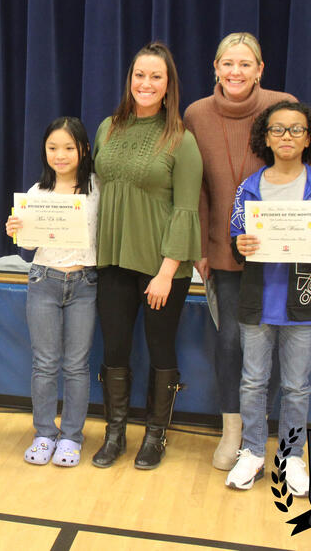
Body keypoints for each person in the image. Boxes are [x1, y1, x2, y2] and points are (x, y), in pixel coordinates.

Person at [183, 32, 311, 470]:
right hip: (225, 248)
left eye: (245, 64)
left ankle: (275, 444)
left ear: (259, 70)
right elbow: (194, 184)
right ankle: (234, 432)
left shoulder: (281, 104)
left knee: (278, 355)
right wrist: (200, 245)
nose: (235, 72)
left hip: (282, 253)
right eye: (227, 63)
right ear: (215, 68)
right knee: (230, 342)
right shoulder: (195, 113)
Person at [91, 42, 203, 470]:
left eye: (156, 76)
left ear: (168, 84)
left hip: (161, 268)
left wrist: (166, 272)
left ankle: (156, 436)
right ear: (130, 79)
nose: (146, 83)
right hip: (113, 261)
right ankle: (115, 433)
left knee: (160, 349)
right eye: (140, 75)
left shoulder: (182, 140)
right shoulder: (107, 128)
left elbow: (186, 209)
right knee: (114, 348)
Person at [224, 101, 311, 494]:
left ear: (308, 139)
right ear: (266, 137)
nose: (286, 136)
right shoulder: (248, 187)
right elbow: (236, 241)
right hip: (257, 299)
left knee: (296, 386)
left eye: (296, 129)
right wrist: (240, 245)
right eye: (278, 129)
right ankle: (253, 452)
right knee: (252, 382)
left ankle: (292, 456)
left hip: (302, 302)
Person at [5, 117, 100, 467]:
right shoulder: (37, 193)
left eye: (69, 148)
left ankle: (72, 436)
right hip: (44, 281)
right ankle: (44, 432)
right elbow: (29, 244)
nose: (60, 155)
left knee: (76, 365)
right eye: (53, 148)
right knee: (44, 364)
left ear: (84, 149)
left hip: (85, 283)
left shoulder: (97, 188)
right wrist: (15, 228)